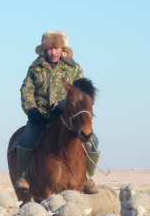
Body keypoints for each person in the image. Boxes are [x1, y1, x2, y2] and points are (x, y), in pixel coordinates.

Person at [13, 31, 100, 194]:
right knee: (27, 138)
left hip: (67, 114)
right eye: (49, 49)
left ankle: (88, 177)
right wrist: (32, 110)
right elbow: (26, 91)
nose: (53, 52)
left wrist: (69, 106)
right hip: (41, 115)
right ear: (44, 50)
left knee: (93, 140)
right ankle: (23, 176)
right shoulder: (35, 69)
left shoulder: (74, 68)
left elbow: (81, 94)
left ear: (63, 49)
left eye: (57, 48)